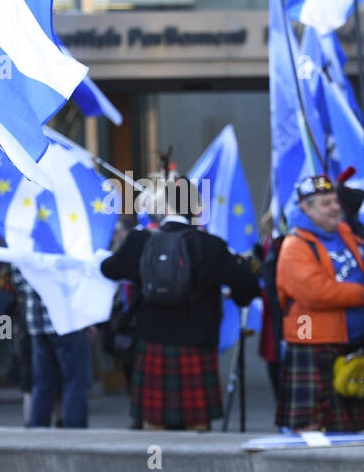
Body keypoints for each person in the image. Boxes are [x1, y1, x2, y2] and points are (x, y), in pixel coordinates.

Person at [101, 175, 258, 430]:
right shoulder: (212, 246)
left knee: (155, 425)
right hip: (198, 341)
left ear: (164, 208)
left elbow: (109, 269)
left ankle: (157, 464)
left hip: (152, 339)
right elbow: (247, 289)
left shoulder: (140, 241)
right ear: (197, 209)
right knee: (198, 425)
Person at [275, 174, 364, 432]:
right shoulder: (295, 245)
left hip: (350, 344)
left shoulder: (345, 232)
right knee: (312, 426)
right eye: (325, 203)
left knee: (352, 427)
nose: (335, 207)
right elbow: (314, 292)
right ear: (306, 208)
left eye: (335, 201)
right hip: (313, 342)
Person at [10, 265, 91, 428]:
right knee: (75, 383)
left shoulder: (24, 243)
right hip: (68, 321)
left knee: (42, 383)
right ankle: (76, 436)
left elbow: (18, 282)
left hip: (37, 323)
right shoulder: (64, 242)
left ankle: (38, 436)